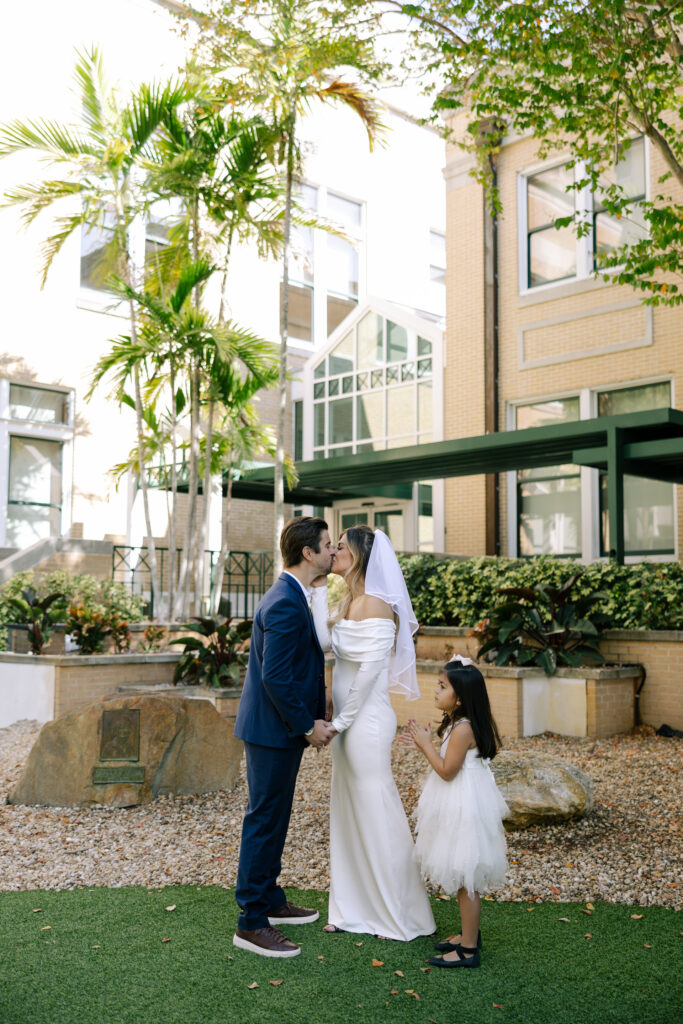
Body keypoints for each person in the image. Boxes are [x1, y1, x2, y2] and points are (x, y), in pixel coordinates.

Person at [311, 524, 435, 941]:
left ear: (361, 556)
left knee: (376, 809)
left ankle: (396, 913)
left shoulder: (378, 604)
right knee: (347, 811)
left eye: (341, 548)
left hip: (365, 723)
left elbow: (368, 672)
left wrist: (341, 723)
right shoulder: (348, 599)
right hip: (344, 722)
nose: (335, 553)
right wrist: (313, 590)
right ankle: (351, 909)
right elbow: (326, 643)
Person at [233, 516, 336, 959]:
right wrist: (308, 724)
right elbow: (275, 676)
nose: (334, 552)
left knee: (275, 817)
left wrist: (319, 703)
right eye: (328, 545)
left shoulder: (297, 596)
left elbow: (296, 665)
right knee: (264, 819)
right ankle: (252, 921)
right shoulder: (285, 602)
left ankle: (271, 900)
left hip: (277, 731)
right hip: (272, 732)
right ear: (308, 553)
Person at [402, 656, 509, 969]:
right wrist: (425, 742)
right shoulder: (457, 724)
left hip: (463, 803)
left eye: (441, 686)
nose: (435, 691)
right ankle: (467, 933)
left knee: (465, 874)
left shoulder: (463, 728)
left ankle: (469, 948)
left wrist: (425, 746)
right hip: (457, 799)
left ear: (460, 698)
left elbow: (447, 771)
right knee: (462, 871)